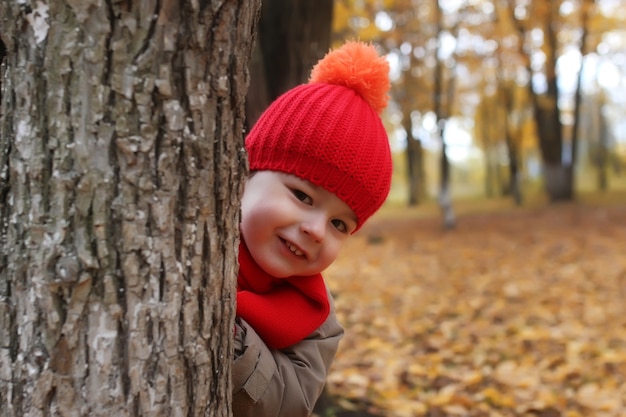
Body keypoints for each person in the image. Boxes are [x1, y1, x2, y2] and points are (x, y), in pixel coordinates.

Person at [232, 41, 393, 417]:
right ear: (244, 177)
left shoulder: (316, 319)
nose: (317, 230)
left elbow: (290, 403)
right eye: (302, 196)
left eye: (339, 223)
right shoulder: (189, 247)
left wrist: (232, 341)